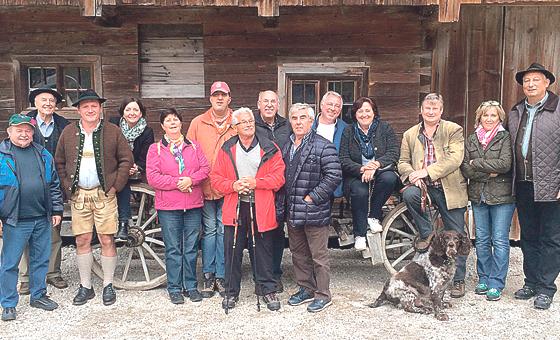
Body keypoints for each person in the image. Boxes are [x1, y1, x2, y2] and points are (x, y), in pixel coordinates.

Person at [55, 89, 133, 306]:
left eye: (94, 106)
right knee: (82, 239)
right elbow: (59, 161)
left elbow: (126, 159)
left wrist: (116, 186)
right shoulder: (68, 132)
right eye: (86, 106)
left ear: (100, 109)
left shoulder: (112, 131)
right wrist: (67, 185)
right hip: (79, 195)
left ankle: (108, 285)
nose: (90, 110)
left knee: (107, 238)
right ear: (78, 110)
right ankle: (86, 286)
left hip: (104, 194)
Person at [211, 107, 286, 311]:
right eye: (243, 122)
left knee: (262, 251)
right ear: (235, 127)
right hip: (235, 207)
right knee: (232, 251)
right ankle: (230, 291)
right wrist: (233, 186)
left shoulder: (269, 147)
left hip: (260, 206)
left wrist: (256, 182)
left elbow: (279, 178)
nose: (248, 124)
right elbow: (216, 179)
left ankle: (266, 289)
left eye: (251, 121)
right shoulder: (227, 148)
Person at [398, 93, 469, 298]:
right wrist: (411, 174)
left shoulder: (453, 130)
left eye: (434, 109)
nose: (430, 112)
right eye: (427, 108)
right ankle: (429, 233)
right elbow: (402, 161)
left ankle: (458, 280)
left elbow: (455, 158)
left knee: (457, 233)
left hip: (449, 189)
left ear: (441, 111)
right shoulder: (410, 134)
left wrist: (427, 172)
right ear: (421, 110)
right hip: (424, 190)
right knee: (409, 193)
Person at [276, 103, 342, 313]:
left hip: (313, 209)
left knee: (318, 256)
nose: (298, 122)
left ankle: (323, 294)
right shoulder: (287, 145)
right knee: (298, 253)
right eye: (294, 118)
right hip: (293, 210)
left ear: (311, 121)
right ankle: (306, 288)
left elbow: (334, 176)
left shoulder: (323, 145)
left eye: (302, 118)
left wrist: (313, 197)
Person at [0, 114, 64, 321]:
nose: (24, 134)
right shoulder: (2, 155)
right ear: (9, 132)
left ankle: (38, 295)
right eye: (19, 130)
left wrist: (56, 210)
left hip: (41, 217)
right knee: (10, 263)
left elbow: (53, 184)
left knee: (40, 259)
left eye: (28, 130)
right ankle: (9, 303)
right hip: (14, 220)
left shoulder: (43, 154)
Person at [508, 63, 560, 310]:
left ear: (547, 82)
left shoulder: (558, 108)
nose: (530, 84)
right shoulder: (517, 111)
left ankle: (546, 287)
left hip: (552, 184)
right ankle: (531, 282)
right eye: (527, 80)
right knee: (529, 236)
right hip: (524, 183)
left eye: (535, 80)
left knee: (550, 237)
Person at [146, 108, 209, 304]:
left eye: (175, 120)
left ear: (181, 123)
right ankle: (174, 287)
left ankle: (190, 285)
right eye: (168, 120)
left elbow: (205, 169)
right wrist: (178, 183)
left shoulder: (194, 146)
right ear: (163, 126)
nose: (172, 123)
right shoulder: (155, 149)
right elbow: (153, 177)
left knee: (190, 248)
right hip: (168, 207)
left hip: (192, 204)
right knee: (173, 248)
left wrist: (191, 179)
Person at [186, 81, 237, 298]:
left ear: (229, 98)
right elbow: (188, 153)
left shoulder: (237, 122)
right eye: (215, 95)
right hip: (205, 186)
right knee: (209, 229)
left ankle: (222, 275)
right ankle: (208, 274)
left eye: (223, 95)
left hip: (228, 187)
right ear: (210, 99)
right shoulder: (198, 123)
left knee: (224, 228)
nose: (219, 98)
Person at [461, 101, 515, 301]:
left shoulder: (505, 137)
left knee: (499, 240)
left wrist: (478, 164)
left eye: (493, 116)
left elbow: (504, 164)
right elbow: (466, 167)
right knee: (482, 240)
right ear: (479, 118)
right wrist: (487, 173)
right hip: (478, 195)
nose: (489, 119)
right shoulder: (472, 139)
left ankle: (496, 283)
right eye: (485, 115)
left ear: (499, 118)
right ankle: (483, 277)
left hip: (502, 197)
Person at [18, 87, 70, 294]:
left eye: (51, 100)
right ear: (35, 103)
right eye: (43, 100)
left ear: (56, 105)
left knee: (54, 228)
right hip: (27, 183)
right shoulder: (25, 124)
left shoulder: (63, 125)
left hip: (52, 181)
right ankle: (25, 277)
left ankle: (52, 273)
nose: (48, 103)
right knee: (25, 230)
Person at [339, 97, 400, 251]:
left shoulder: (385, 128)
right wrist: (362, 169)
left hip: (380, 171)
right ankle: (360, 235)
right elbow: (343, 158)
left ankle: (373, 216)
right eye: (360, 111)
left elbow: (393, 152)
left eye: (368, 110)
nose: (364, 114)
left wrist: (376, 165)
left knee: (390, 178)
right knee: (360, 191)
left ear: (374, 112)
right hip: (356, 175)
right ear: (355, 114)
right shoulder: (348, 131)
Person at [254, 90, 291, 293]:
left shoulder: (287, 125)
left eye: (273, 102)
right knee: (260, 232)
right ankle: (260, 275)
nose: (269, 105)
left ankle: (275, 274)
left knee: (277, 232)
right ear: (258, 104)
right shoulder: (251, 124)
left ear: (278, 105)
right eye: (265, 101)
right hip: (260, 185)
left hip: (283, 186)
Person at [109, 97, 155, 241]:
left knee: (124, 181)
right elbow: (108, 148)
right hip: (113, 166)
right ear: (123, 112)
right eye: (128, 109)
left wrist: (136, 167)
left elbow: (145, 155)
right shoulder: (113, 124)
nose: (132, 113)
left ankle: (123, 222)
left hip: (132, 170)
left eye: (135, 109)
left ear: (141, 113)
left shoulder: (147, 131)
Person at [312, 91, 347, 199]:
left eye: (337, 106)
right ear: (322, 105)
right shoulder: (309, 124)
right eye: (330, 104)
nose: (333, 108)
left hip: (332, 180)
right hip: (309, 178)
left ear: (340, 110)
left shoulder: (345, 128)